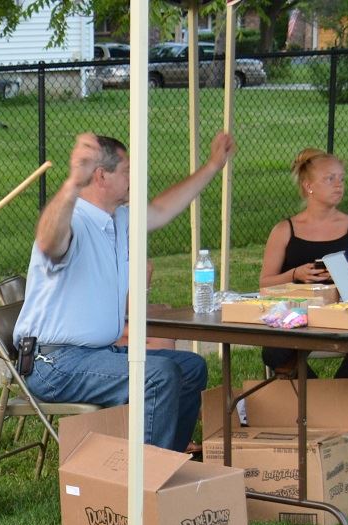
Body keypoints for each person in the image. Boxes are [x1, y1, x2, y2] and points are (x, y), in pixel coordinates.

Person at [13, 131, 236, 452]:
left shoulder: (118, 218)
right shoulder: (73, 219)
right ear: (101, 176)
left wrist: (214, 164)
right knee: (158, 376)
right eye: (127, 171)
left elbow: (161, 208)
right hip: (54, 363)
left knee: (191, 368)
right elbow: (49, 242)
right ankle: (141, 483)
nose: (135, 178)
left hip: (96, 354)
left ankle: (166, 463)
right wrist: (72, 184)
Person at [258, 148, 348, 386]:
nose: (338, 185)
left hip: (345, 317)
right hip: (298, 320)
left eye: (341, 178)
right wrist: (295, 274)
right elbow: (265, 283)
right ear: (309, 186)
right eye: (330, 179)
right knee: (273, 351)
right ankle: (328, 402)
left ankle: (333, 397)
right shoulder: (284, 230)